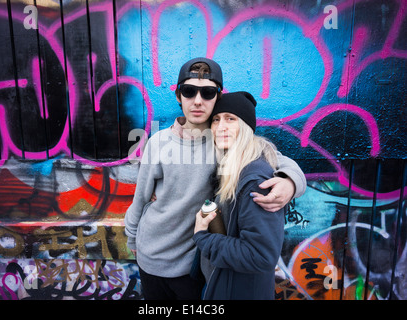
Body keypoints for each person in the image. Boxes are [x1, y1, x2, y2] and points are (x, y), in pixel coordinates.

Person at [125, 58, 305, 300]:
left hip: (193, 262)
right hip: (151, 256)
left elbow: (272, 156)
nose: (198, 100)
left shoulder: (224, 140)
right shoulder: (159, 142)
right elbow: (141, 198)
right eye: (189, 91)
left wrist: (290, 181)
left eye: (207, 93)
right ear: (179, 96)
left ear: (217, 98)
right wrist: (132, 239)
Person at [193, 91, 288, 300]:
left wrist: (203, 237)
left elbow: (260, 255)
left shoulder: (254, 180)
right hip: (227, 285)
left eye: (230, 119)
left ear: (245, 127)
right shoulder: (232, 167)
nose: (220, 127)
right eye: (216, 120)